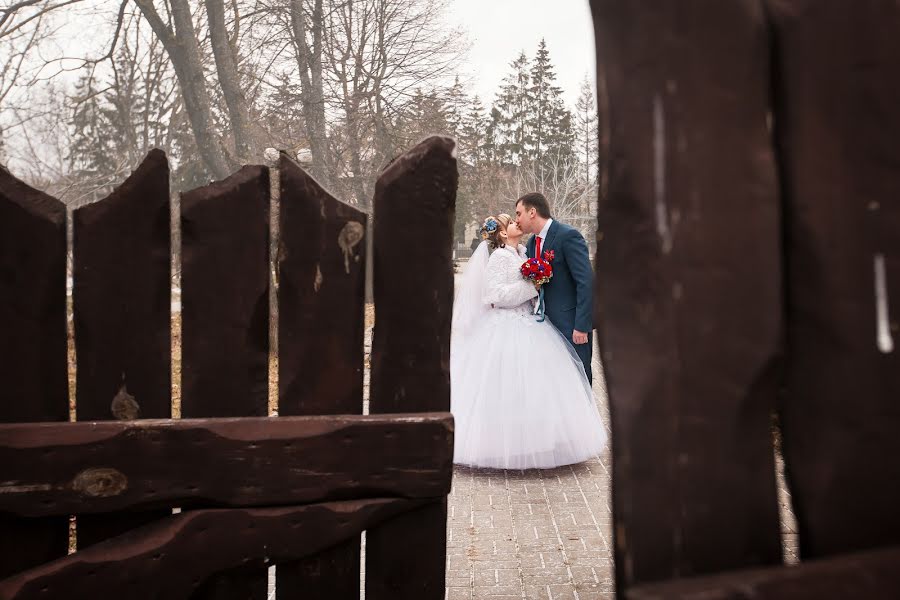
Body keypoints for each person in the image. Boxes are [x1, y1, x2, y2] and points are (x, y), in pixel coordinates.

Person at [450, 213, 607, 469]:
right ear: (502, 233)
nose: (516, 222)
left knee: (537, 387)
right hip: (506, 325)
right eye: (511, 221)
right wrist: (532, 287)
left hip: (531, 322)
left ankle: (539, 441)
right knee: (508, 385)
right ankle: (501, 444)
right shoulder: (500, 257)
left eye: (516, 217)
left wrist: (536, 289)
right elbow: (494, 294)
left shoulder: (524, 251)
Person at [515, 192, 594, 384]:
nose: (517, 219)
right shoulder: (533, 242)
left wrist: (582, 326)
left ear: (532, 212)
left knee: (579, 380)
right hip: (546, 327)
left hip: (571, 326)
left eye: (519, 213)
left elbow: (586, 282)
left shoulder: (568, 236)